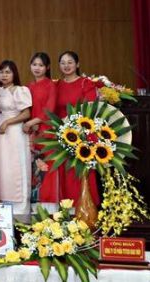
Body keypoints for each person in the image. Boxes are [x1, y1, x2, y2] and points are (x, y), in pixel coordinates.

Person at [55, 50, 100, 205]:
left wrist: (74, 124)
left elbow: (90, 108)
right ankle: (67, 210)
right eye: (63, 63)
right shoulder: (57, 85)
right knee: (65, 174)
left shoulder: (85, 83)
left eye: (70, 62)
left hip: (82, 135)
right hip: (62, 136)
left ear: (77, 64)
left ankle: (86, 209)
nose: (66, 66)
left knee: (81, 174)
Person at [0, 60, 33, 215]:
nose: (4, 75)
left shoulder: (20, 90)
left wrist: (8, 122)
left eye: (8, 72)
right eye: (2, 72)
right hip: (0, 133)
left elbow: (26, 113)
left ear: (14, 74)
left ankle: (20, 209)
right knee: (2, 167)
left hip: (15, 132)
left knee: (16, 166)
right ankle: (4, 206)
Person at [23, 52, 58, 209]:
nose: (37, 68)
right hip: (30, 132)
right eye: (34, 64)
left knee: (46, 168)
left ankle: (47, 207)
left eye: (41, 65)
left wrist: (33, 122)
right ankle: (31, 205)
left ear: (47, 67)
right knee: (31, 168)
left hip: (46, 132)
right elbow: (25, 109)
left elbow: (49, 110)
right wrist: (29, 123)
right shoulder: (28, 87)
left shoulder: (51, 85)